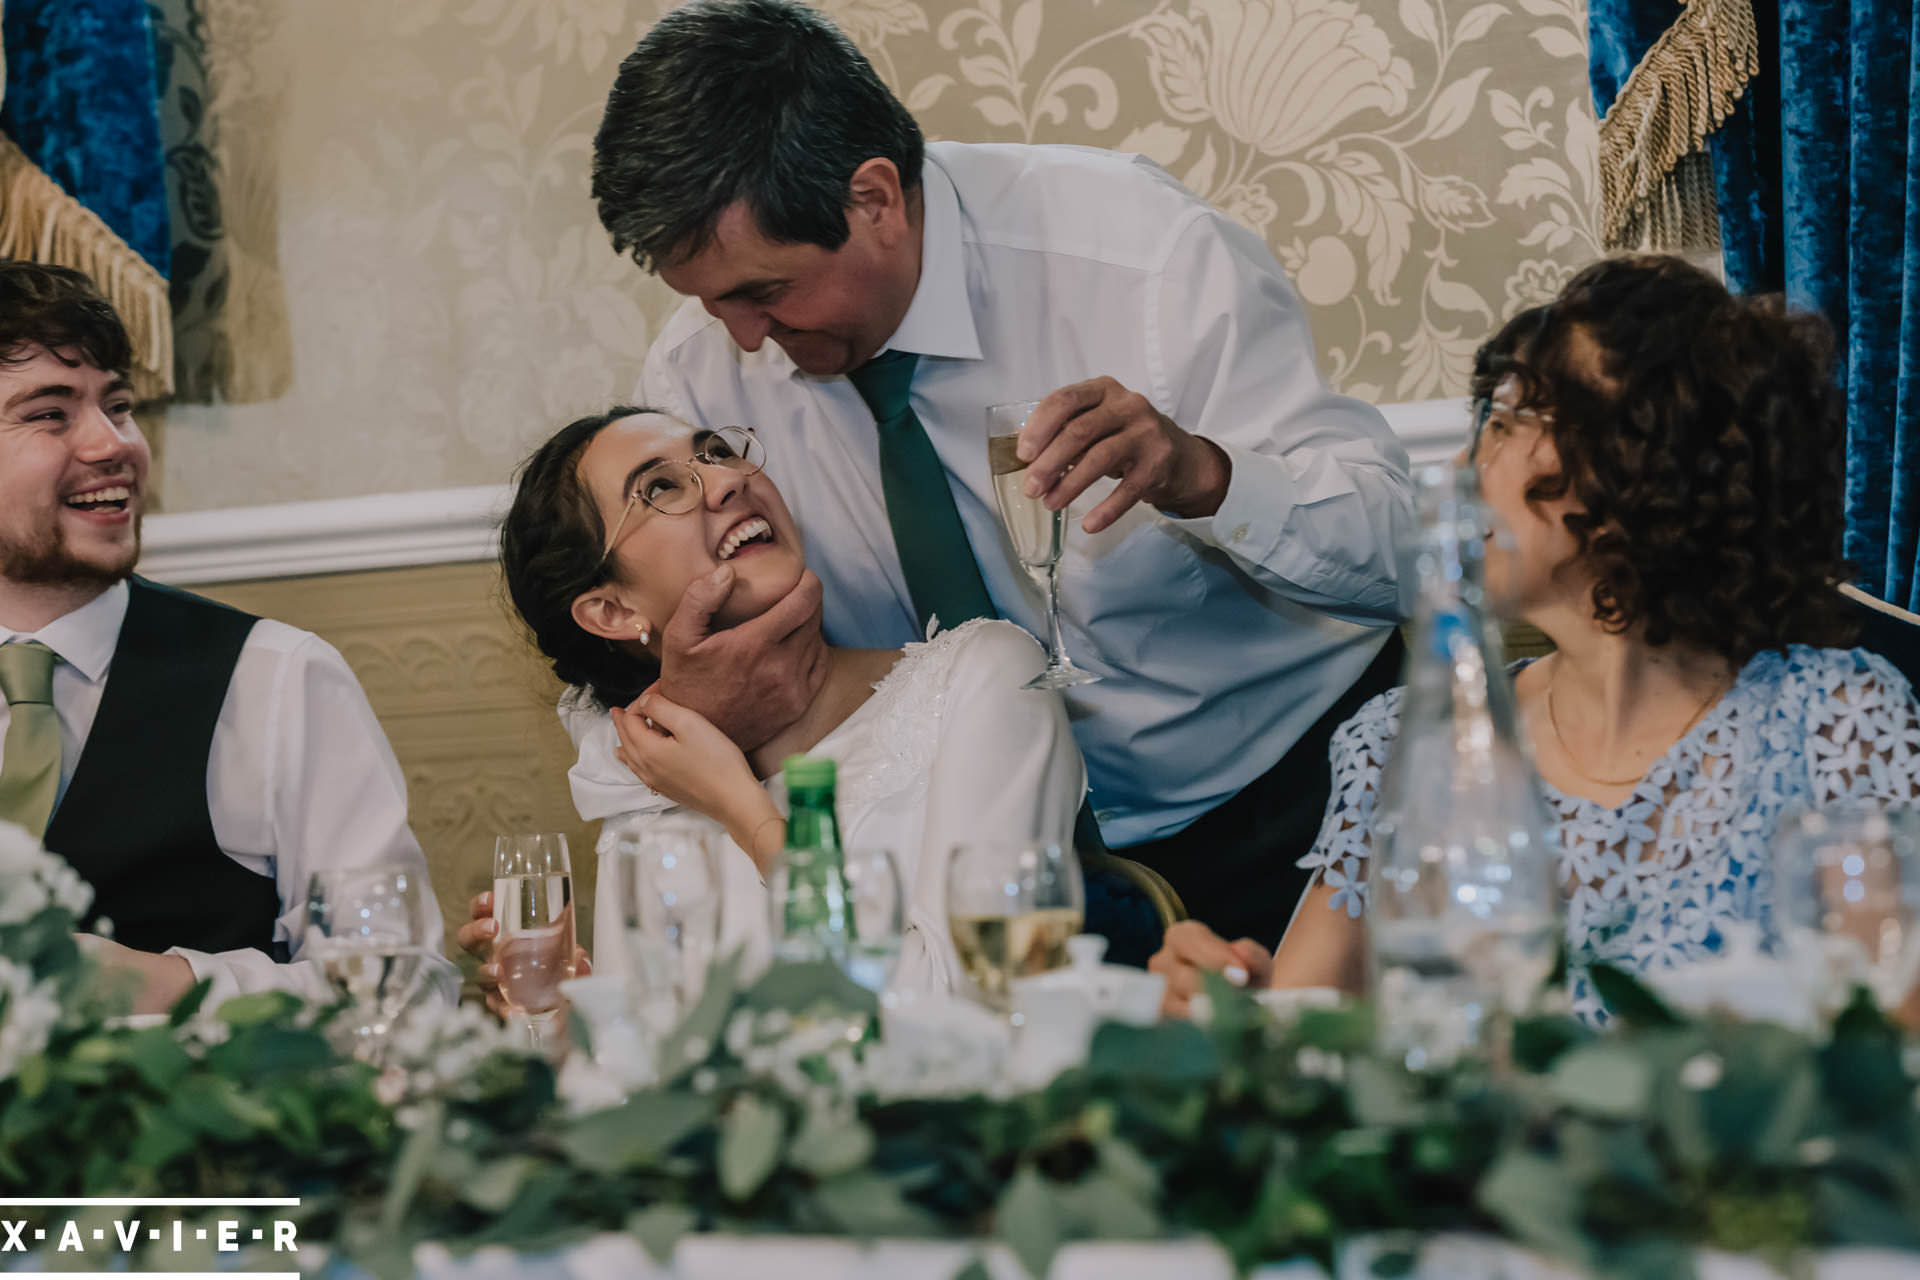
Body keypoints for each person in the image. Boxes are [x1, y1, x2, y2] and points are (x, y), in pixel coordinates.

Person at [574, 0, 1414, 947]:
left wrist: (1206, 475)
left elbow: (1402, 554)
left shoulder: (1139, 258)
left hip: (1290, 818)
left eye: (765, 293)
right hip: (958, 870)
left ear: (877, 200)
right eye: (712, 303)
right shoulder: (699, 370)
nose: (742, 339)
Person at [1149, 254, 1920, 1023]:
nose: (1459, 466)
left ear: (1645, 467)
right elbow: (1307, 1043)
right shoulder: (1399, 745)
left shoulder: (1836, 721)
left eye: (1510, 421)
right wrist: (1238, 1016)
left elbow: (1891, 1061)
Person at [462, 407, 1083, 997]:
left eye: (718, 452)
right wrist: (568, 1019)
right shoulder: (640, 778)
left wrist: (740, 807)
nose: (730, 479)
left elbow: (975, 1003)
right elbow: (664, 1074)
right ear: (613, 611)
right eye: (660, 488)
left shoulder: (986, 676)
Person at [0, 260, 441, 1014]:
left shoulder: (278, 681)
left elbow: (399, 990)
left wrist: (169, 986)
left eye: (119, 405)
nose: (114, 445)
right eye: (51, 413)